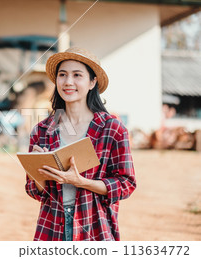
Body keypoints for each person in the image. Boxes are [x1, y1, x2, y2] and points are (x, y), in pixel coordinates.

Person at [25, 47, 136, 241]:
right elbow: (35, 191)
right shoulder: (41, 131)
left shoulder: (112, 129)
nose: (68, 82)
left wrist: (80, 182)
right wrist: (38, 172)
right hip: (51, 227)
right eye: (62, 75)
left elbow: (126, 184)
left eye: (77, 75)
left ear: (93, 82)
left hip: (94, 227)